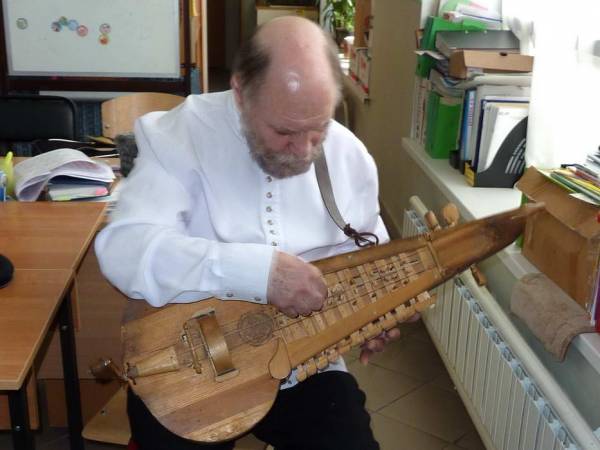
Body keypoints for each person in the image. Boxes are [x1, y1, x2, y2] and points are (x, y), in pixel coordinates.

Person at [95, 16, 414, 450]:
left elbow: (368, 256)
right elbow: (124, 250)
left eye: (318, 129)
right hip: (189, 363)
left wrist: (374, 312)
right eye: (284, 132)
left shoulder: (350, 155)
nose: (303, 151)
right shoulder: (179, 135)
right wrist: (258, 272)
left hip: (304, 367)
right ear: (240, 92)